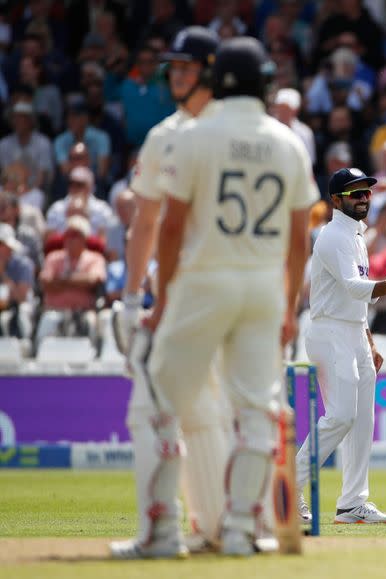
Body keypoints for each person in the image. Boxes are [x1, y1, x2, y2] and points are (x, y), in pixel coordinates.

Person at [131, 36, 316, 558]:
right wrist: (286, 305)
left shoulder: (196, 136)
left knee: (160, 403)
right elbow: (299, 234)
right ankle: (238, 529)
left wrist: (163, 298)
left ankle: (162, 532)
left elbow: (169, 230)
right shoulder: (288, 143)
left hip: (205, 279)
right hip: (261, 287)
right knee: (257, 410)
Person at [108, 27, 237, 559]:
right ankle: (217, 526)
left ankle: (158, 534)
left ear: (209, 72)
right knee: (207, 411)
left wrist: (132, 296)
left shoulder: (170, 134)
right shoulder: (248, 133)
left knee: (149, 410)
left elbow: (145, 223)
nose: (177, 77)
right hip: (237, 289)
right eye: (174, 69)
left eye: (187, 68)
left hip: (185, 291)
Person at [296, 167, 386, 525]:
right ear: (336, 199)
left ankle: (353, 502)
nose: (363, 198)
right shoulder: (332, 236)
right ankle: (286, 489)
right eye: (355, 193)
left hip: (353, 332)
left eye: (366, 192)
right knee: (341, 416)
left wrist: (367, 340)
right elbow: (355, 287)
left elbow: (354, 299)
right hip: (329, 333)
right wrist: (384, 286)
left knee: (361, 421)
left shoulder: (355, 235)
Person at [37, 215, 106, 345]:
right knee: (47, 321)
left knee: (91, 322)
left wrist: (60, 281)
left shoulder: (95, 258)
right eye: (67, 235)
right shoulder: (53, 257)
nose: (70, 239)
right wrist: (77, 282)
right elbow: (46, 283)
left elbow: (92, 281)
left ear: (84, 238)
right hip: (54, 311)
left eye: (75, 235)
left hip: (83, 312)